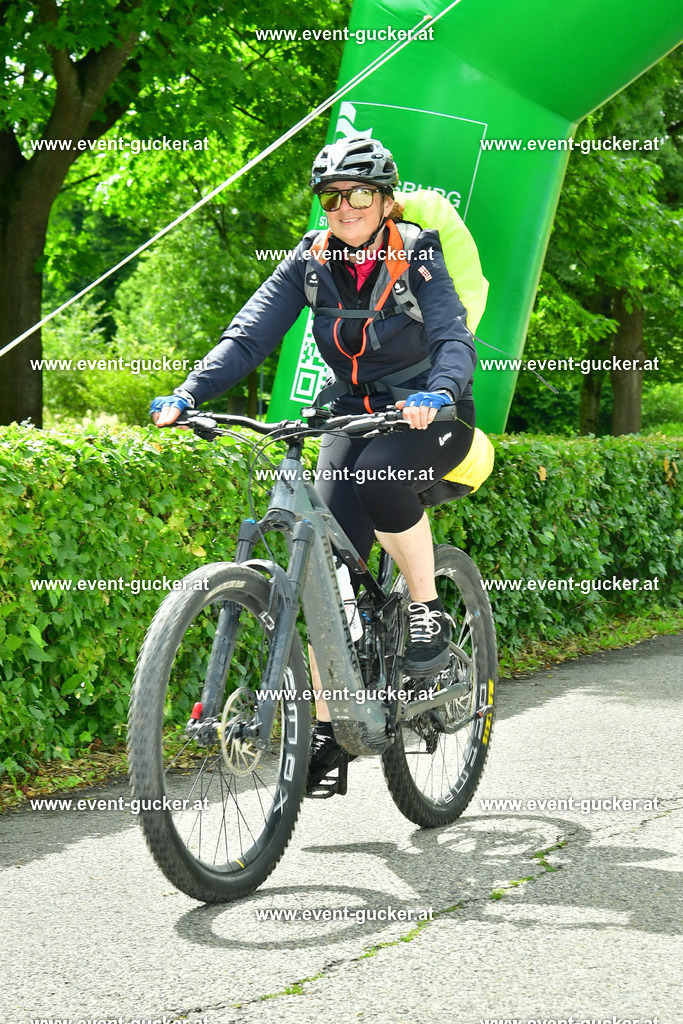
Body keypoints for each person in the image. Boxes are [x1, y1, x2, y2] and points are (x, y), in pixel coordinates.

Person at [151, 135, 479, 785]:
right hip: (349, 410)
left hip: (430, 413)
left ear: (384, 200)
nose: (344, 206)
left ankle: (424, 611)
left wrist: (438, 391)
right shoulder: (308, 261)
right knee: (321, 568)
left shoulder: (416, 253)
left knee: (380, 477)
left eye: (359, 193)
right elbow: (247, 336)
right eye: (331, 197)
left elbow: (451, 335)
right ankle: (329, 728)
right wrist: (189, 392)